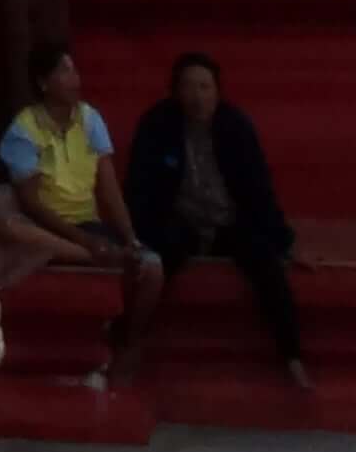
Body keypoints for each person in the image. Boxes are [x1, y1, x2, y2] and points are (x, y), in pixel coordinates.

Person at [0, 38, 162, 382]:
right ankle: (96, 256)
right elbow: (31, 202)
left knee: (152, 269)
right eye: (64, 70)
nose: (74, 78)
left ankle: (128, 342)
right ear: (43, 83)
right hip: (47, 228)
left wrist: (130, 237)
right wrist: (85, 243)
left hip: (88, 226)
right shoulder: (24, 129)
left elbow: (108, 186)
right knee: (11, 228)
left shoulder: (90, 120)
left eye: (74, 69)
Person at [124, 51, 315, 391]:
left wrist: (285, 242)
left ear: (217, 91)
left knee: (265, 262)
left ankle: (292, 356)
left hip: (228, 223)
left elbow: (259, 190)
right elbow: (140, 188)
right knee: (156, 263)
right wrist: (138, 235)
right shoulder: (157, 124)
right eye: (189, 87)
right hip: (179, 222)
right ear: (175, 91)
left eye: (205, 87)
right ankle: (126, 343)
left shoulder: (236, 127)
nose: (198, 96)